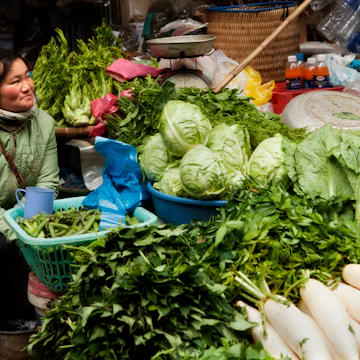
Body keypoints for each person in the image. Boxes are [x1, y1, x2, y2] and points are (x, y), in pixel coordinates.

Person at [0, 52, 59, 315]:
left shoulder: (44, 124)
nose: (27, 86)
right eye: (15, 81)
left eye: (28, 76)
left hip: (22, 219)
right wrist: (18, 235)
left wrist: (33, 230)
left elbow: (47, 182)